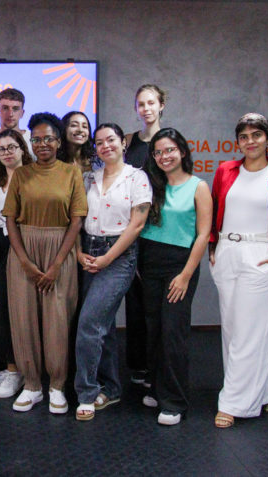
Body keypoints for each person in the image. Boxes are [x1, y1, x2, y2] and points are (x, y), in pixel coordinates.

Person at [209, 113, 268, 428]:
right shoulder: (225, 171)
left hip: (262, 255)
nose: (250, 141)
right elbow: (214, 211)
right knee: (235, 331)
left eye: (256, 135)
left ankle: (234, 403)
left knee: (250, 333)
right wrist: (213, 247)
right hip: (227, 253)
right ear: (238, 141)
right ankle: (262, 392)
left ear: (267, 138)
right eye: (245, 136)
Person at [3, 112, 86, 414]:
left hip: (59, 251)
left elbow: (76, 221)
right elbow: (10, 219)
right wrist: (24, 261)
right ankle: (32, 385)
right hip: (24, 250)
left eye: (48, 138)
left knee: (57, 321)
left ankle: (57, 386)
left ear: (58, 140)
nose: (42, 144)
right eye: (36, 139)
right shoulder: (21, 174)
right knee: (23, 319)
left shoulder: (70, 173)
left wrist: (56, 265)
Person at [74, 124, 150, 421]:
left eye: (111, 140)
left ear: (122, 143)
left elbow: (137, 225)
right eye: (100, 142)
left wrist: (107, 258)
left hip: (118, 256)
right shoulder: (87, 178)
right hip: (88, 252)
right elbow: (78, 219)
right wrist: (80, 251)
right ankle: (112, 387)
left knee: (89, 323)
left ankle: (87, 393)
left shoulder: (137, 177)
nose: (106, 146)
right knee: (101, 325)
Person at [139, 128, 211, 426]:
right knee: (154, 331)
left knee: (173, 334)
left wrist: (185, 275)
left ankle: (175, 402)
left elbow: (204, 233)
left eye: (169, 150)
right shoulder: (150, 185)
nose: (164, 156)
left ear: (182, 151)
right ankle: (157, 388)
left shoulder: (198, 186)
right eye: (158, 152)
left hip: (179, 266)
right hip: (149, 262)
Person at [0, 129, 33, 398]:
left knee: (7, 310)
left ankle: (17, 371)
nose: (7, 153)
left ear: (23, 148)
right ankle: (11, 367)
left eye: (12, 147)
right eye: (1, 149)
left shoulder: (33, 178)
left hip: (20, 247)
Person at [123, 84, 167, 387]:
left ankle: (157, 365)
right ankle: (137, 365)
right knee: (135, 300)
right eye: (141, 104)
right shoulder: (128, 142)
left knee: (157, 304)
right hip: (131, 229)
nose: (146, 108)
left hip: (160, 231)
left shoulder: (170, 141)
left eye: (151, 103)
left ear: (161, 105)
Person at [0, 88, 33, 165]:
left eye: (15, 109)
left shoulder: (33, 140)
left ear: (22, 113)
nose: (10, 114)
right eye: (5, 108)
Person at [59, 111, 97, 177]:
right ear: (64, 129)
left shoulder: (97, 161)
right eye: (74, 125)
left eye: (84, 127)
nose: (80, 130)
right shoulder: (53, 161)